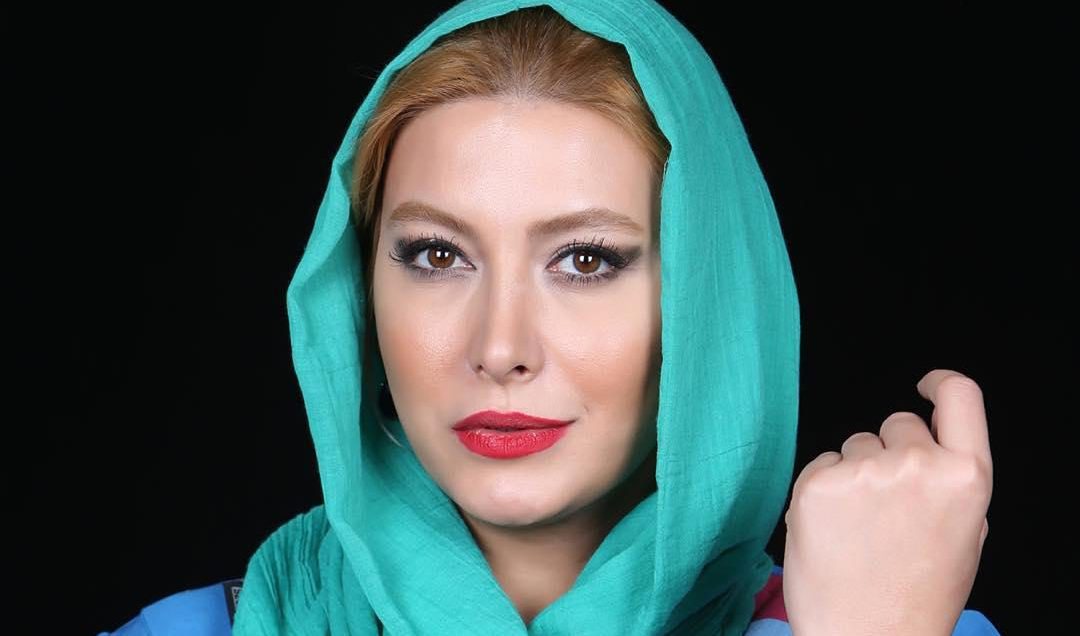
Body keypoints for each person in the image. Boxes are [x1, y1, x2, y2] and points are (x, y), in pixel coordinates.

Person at [99, 1, 999, 634]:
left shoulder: (895, 621)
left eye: (585, 261)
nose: (500, 348)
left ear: (710, 305)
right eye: (437, 256)